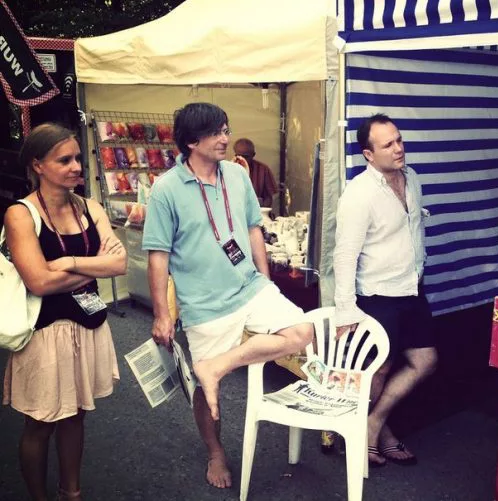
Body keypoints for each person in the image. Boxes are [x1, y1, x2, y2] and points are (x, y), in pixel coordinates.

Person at [142, 103, 313, 489]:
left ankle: (217, 366)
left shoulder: (236, 174)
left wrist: (265, 280)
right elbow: (158, 255)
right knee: (207, 394)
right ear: (191, 141)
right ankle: (215, 451)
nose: (225, 138)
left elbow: (253, 228)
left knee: (302, 331)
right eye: (217, 132)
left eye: (226, 129)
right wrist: (161, 314)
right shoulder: (166, 189)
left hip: (250, 287)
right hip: (204, 303)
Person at [2, 123, 126, 501]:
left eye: (77, 158)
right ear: (38, 165)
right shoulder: (21, 215)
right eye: (64, 160)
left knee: (77, 414)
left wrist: (69, 262)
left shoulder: (90, 207)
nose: (76, 167)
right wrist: (93, 267)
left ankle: (71, 493)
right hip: (44, 331)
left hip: (89, 324)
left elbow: (119, 264)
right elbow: (39, 282)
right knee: (40, 422)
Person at [333, 113, 438, 467]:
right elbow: (344, 254)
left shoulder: (412, 178)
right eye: (388, 144)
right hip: (378, 295)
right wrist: (345, 309)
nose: (398, 148)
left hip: (412, 289)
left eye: (399, 140)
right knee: (379, 369)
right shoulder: (359, 193)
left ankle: (373, 424)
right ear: (368, 153)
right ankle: (359, 435)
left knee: (425, 361)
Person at [232, 138, 277, 208]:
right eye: (239, 156)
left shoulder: (263, 169)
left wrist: (262, 211)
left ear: (253, 155)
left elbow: (269, 197)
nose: (242, 159)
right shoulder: (229, 169)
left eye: (245, 156)